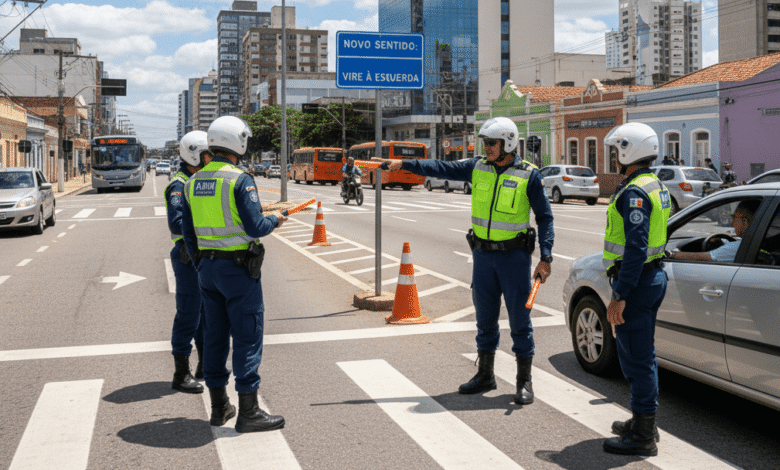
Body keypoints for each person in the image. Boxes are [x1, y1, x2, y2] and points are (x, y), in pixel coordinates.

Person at [372, 116, 554, 405]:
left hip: (514, 259)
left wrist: (546, 257)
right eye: (485, 142)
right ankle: (485, 374)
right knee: (485, 319)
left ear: (507, 142)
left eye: (491, 143)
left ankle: (523, 381)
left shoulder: (528, 175)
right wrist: (403, 164)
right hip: (482, 258)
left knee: (520, 320)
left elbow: (544, 218)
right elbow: (442, 167)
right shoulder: (478, 167)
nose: (487, 147)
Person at [181, 116, 289, 433]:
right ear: (237, 143)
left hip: (207, 272)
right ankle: (249, 412)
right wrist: (277, 220)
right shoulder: (239, 180)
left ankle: (219, 408)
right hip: (239, 272)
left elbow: (188, 234)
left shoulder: (191, 183)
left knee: (214, 338)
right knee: (247, 338)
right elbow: (256, 226)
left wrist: (202, 264)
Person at [602, 122, 671, 456]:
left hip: (638, 283)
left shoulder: (633, 191)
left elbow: (635, 247)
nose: (615, 156)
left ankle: (643, 436)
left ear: (629, 151)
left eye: (617, 149)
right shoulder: (654, 184)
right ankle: (643, 421)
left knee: (637, 359)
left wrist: (619, 296)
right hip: (652, 277)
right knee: (643, 355)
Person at [166, 131, 210, 395]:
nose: (211, 159)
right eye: (208, 154)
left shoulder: (196, 180)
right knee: (189, 313)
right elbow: (177, 223)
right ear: (194, 154)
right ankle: (180, 373)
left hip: (201, 254)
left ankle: (204, 364)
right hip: (186, 256)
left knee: (205, 313)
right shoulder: (180, 184)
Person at [667, 200, 759, 263]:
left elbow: (702, 257)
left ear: (745, 221)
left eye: (734, 218)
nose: (732, 224)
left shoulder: (739, 248)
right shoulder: (759, 243)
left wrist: (671, 254)